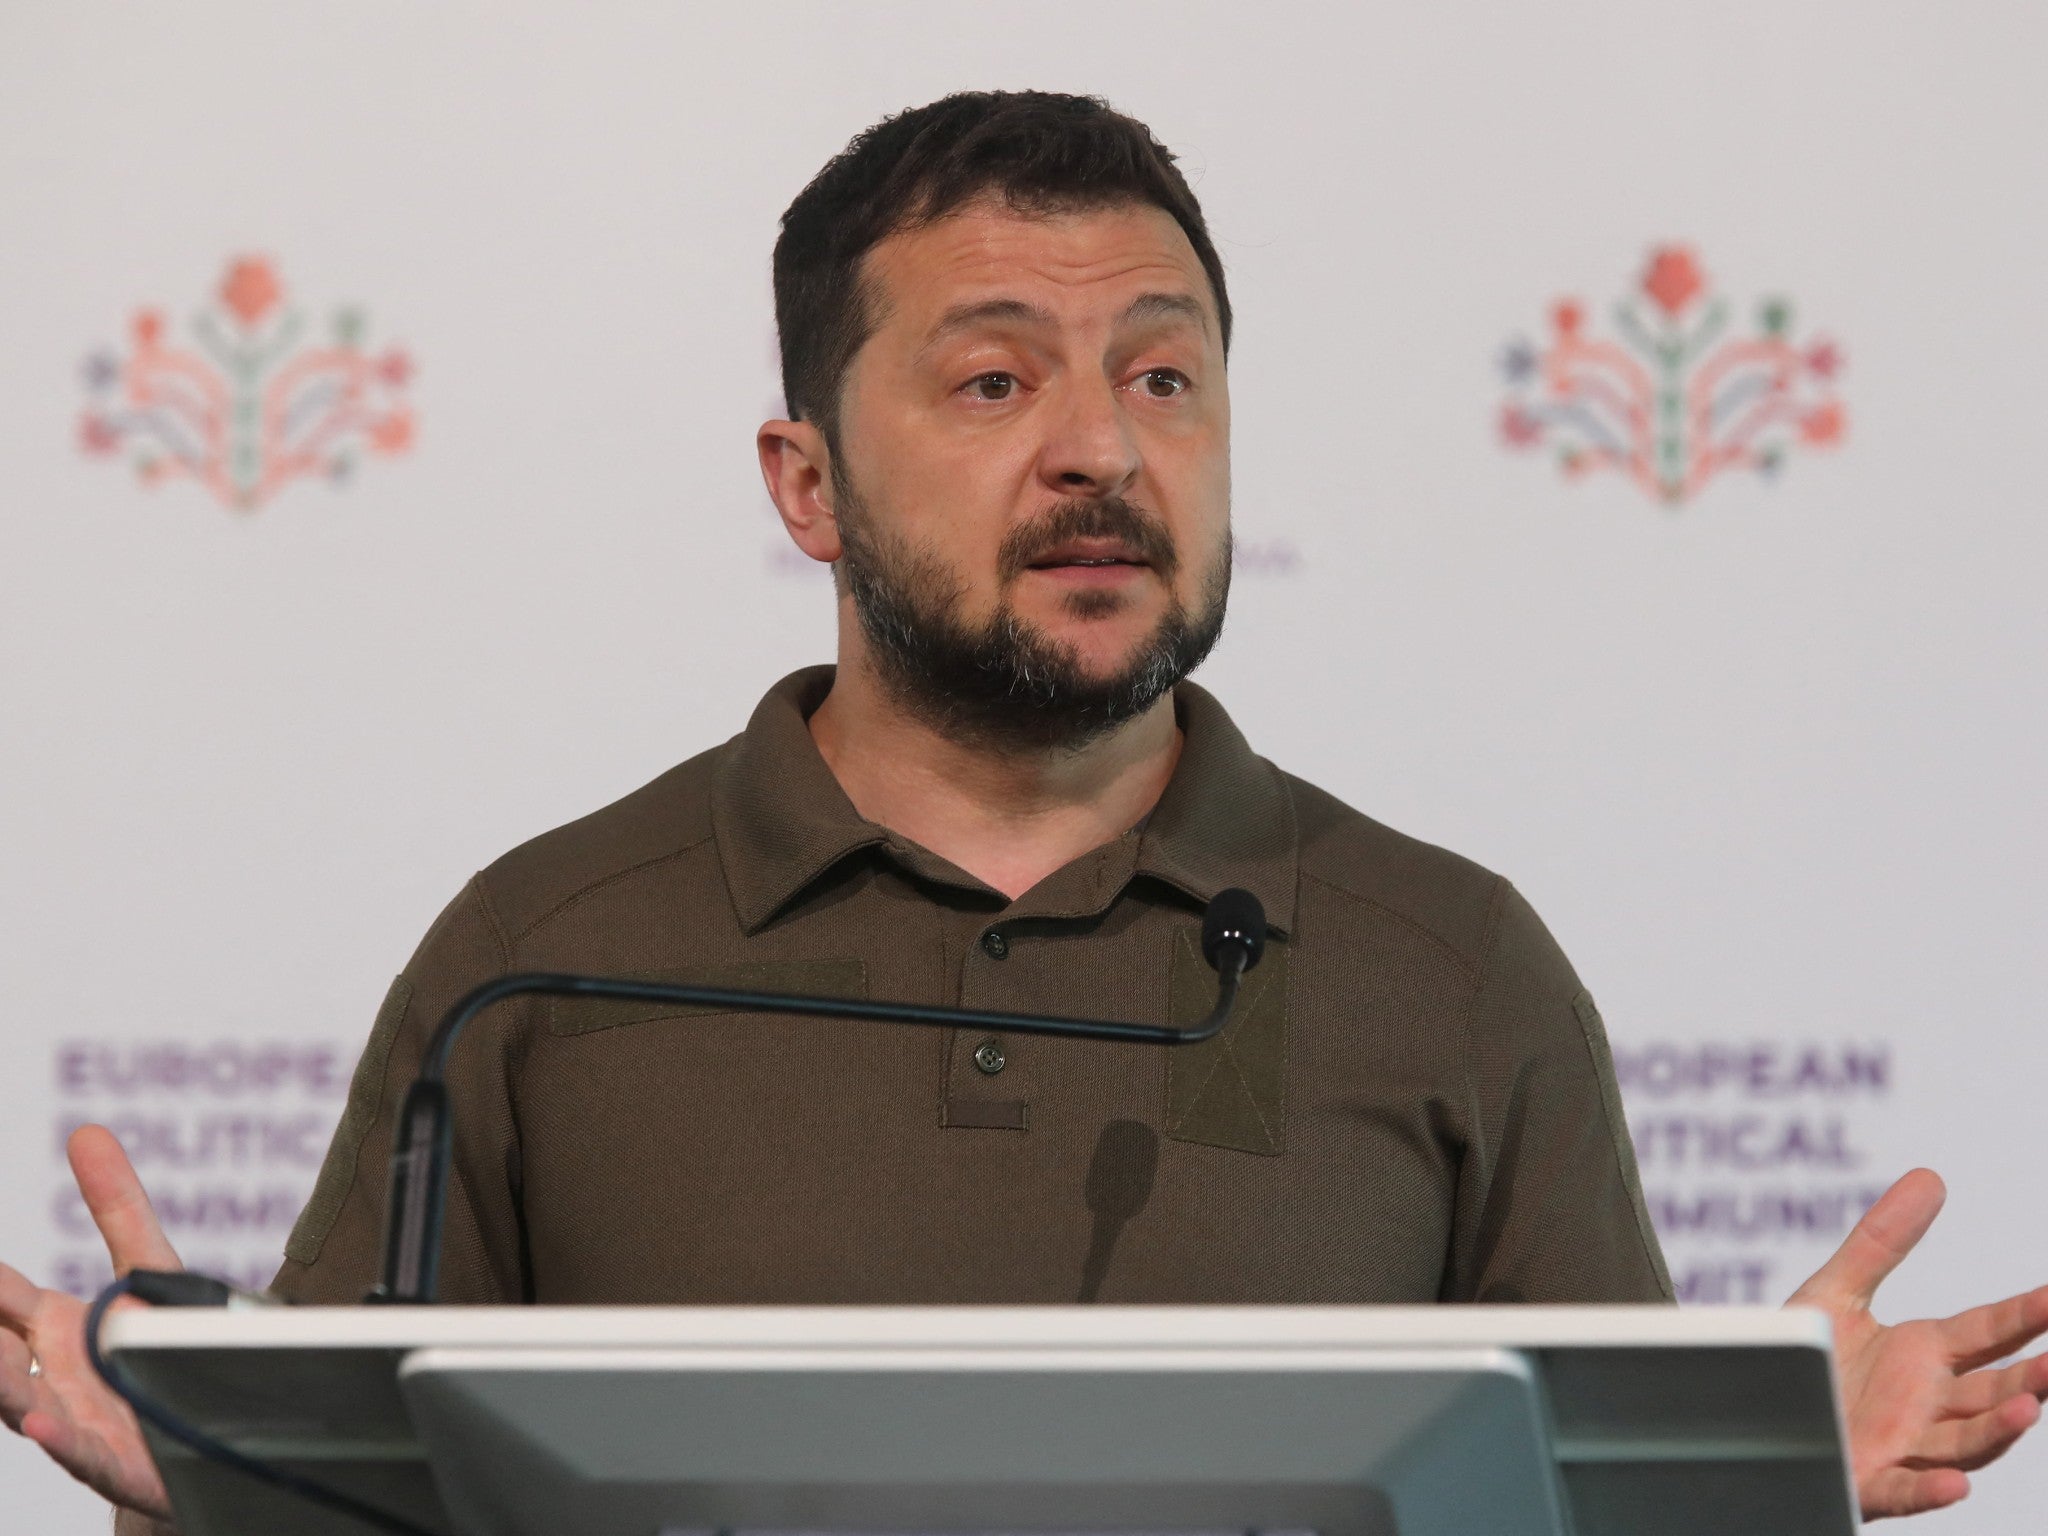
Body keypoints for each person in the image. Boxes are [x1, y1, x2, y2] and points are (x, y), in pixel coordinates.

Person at [4, 90, 2045, 1533]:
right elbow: (358, 1521)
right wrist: (189, 1500)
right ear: (803, 486)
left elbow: (1570, 1531)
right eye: (993, 383)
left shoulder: (1453, 965)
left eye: (1162, 381)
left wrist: (1755, 1492)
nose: (1099, 450)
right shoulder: (536, 959)